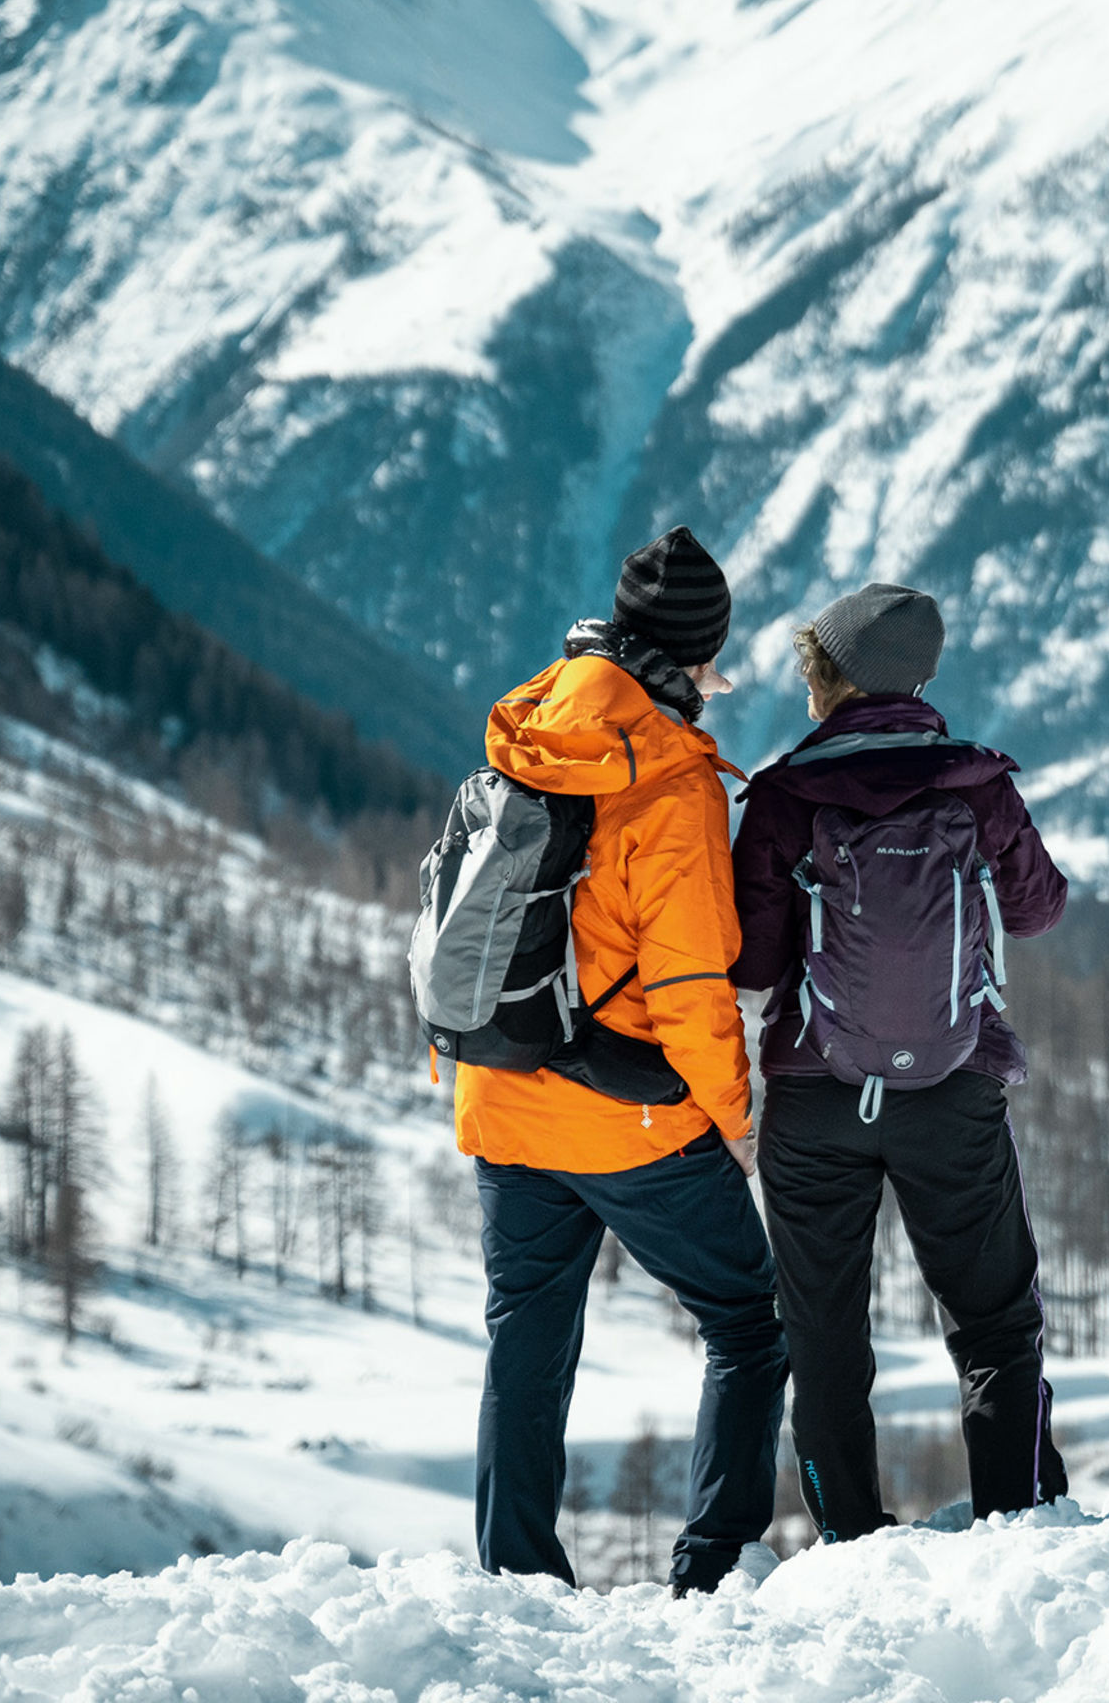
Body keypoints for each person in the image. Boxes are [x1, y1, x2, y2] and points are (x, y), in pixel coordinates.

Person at [454, 525, 785, 1594]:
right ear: (698, 653)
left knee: (528, 1338)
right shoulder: (670, 779)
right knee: (748, 1319)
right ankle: (716, 1564)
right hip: (627, 1115)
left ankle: (517, 1574)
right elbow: (689, 983)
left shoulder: (532, 721)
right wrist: (734, 1116)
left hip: (503, 1090)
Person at [732, 581, 1072, 1538]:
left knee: (826, 1334)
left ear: (827, 674)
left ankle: (849, 1534)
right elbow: (1040, 909)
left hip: (813, 1090)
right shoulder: (978, 784)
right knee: (995, 1319)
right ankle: (1021, 1519)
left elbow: (752, 961)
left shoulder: (786, 794)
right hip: (952, 1085)